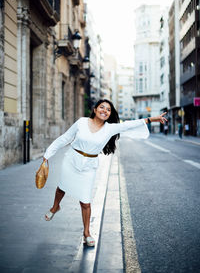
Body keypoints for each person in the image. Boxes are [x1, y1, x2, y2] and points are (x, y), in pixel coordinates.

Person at [43, 99, 167, 247]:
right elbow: (65, 138)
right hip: (71, 159)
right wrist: (47, 154)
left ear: (110, 114)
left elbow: (128, 125)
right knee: (62, 187)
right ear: (95, 110)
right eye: (102, 107)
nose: (105, 111)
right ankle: (55, 207)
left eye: (108, 109)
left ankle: (86, 233)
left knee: (85, 201)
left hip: (89, 165)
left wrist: (151, 119)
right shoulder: (82, 122)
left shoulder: (109, 129)